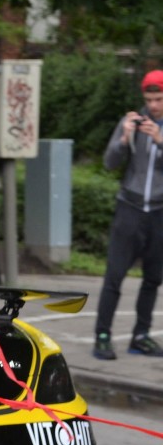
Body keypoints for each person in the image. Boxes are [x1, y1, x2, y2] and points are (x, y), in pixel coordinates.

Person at [91, 69, 163, 360]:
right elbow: (109, 163)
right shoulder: (132, 120)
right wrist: (124, 138)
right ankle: (103, 336)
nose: (154, 105)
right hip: (130, 209)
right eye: (150, 99)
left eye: (159, 99)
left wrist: (159, 139)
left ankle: (141, 336)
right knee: (114, 275)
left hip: (159, 211)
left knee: (153, 278)